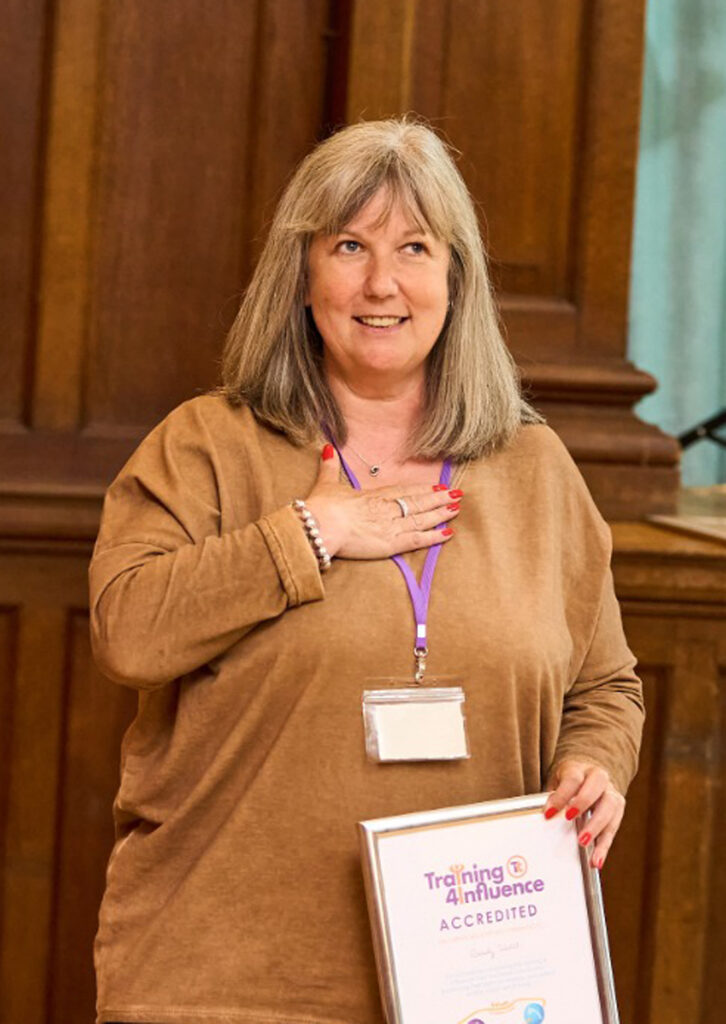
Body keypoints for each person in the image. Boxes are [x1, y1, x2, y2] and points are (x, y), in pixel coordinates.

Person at [90, 118, 644, 1024]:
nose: (382, 283)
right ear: (302, 276)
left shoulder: (535, 469)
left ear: (455, 281)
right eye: (350, 245)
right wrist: (308, 533)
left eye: (415, 248)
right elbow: (128, 630)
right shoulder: (208, 445)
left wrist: (595, 761)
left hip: (473, 986)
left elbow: (606, 683)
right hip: (223, 979)